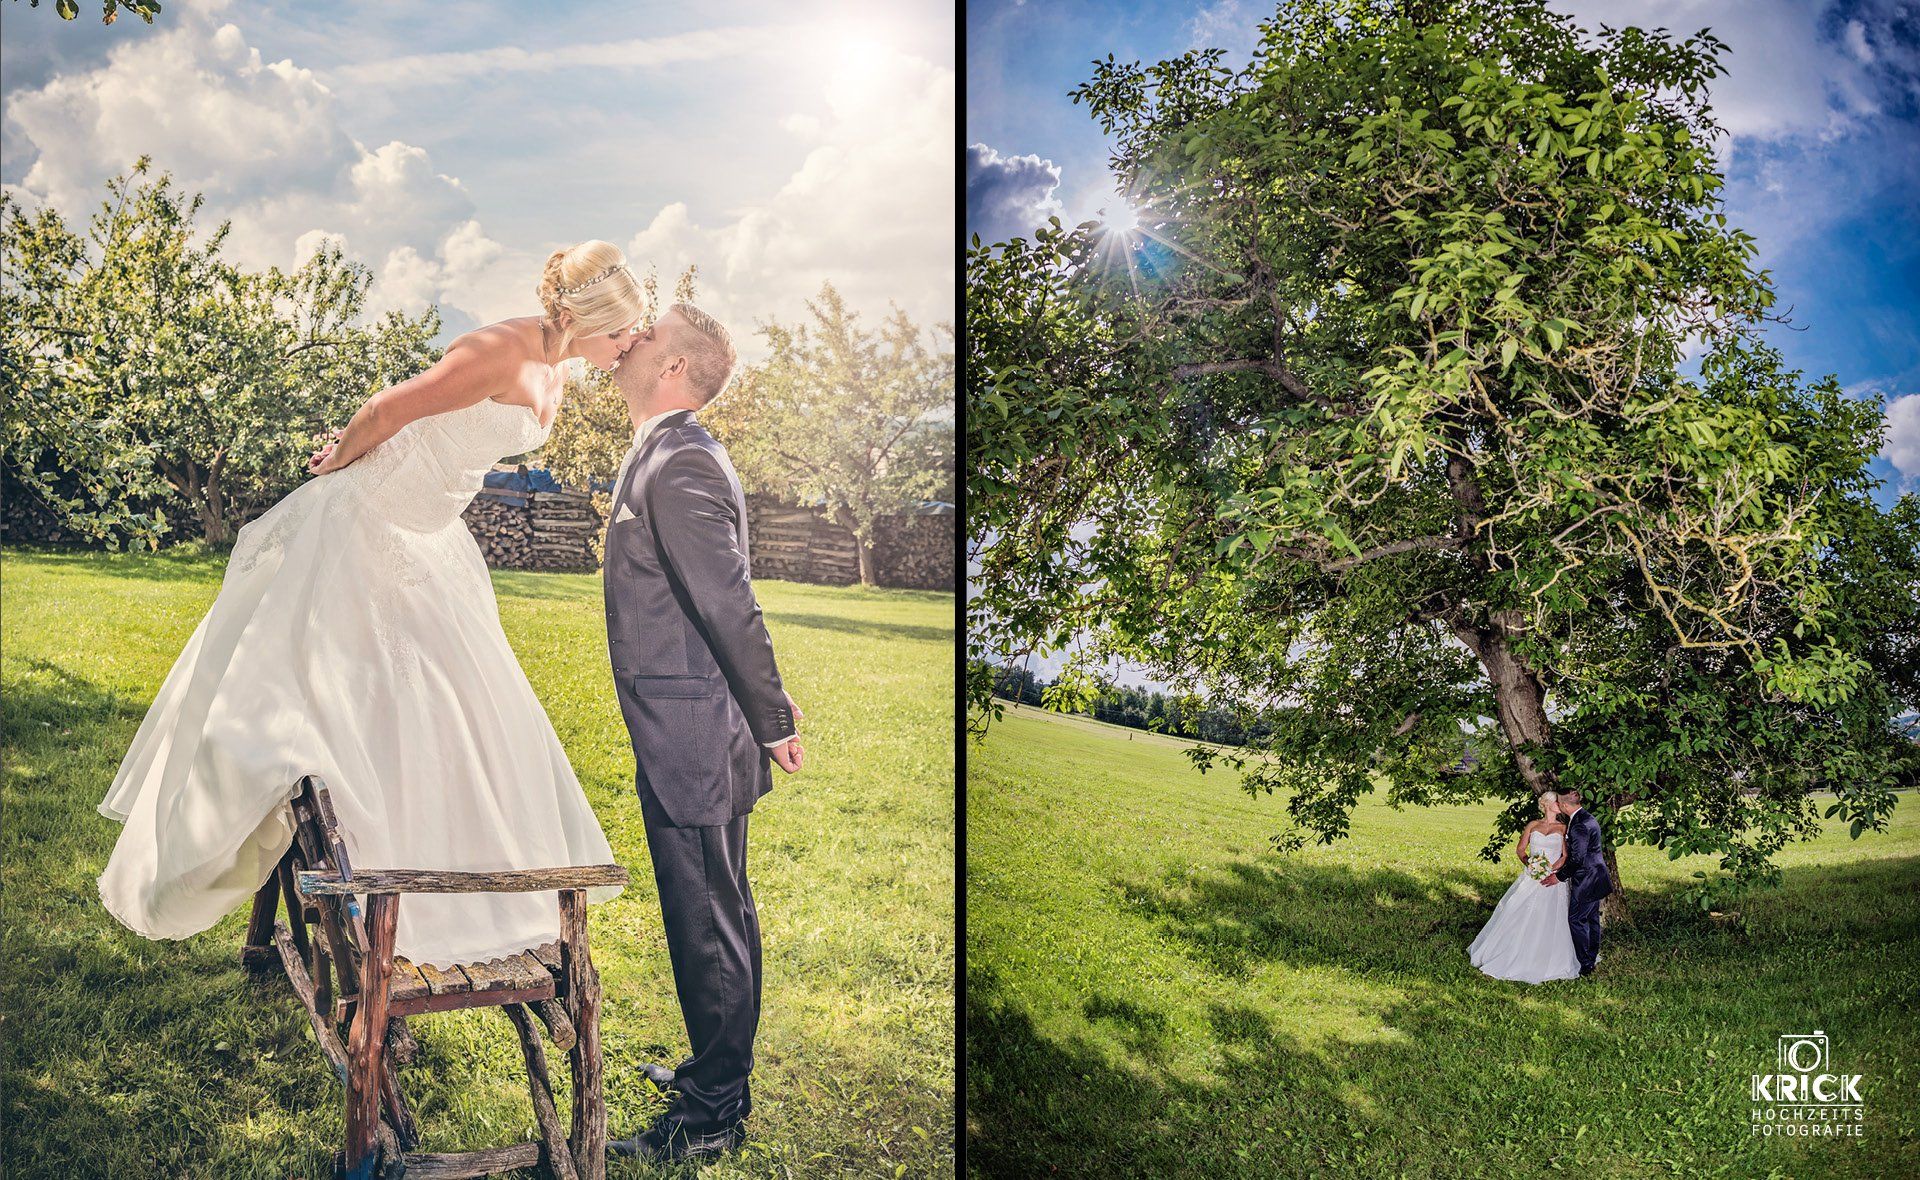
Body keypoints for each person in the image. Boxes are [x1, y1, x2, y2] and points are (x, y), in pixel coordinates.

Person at [96, 240, 646, 970]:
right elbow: (391, 408)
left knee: (448, 706)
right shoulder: (498, 348)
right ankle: (355, 869)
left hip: (429, 537)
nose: (629, 344)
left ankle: (432, 866)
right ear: (582, 319)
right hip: (368, 521)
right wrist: (337, 460)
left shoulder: (560, 367)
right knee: (342, 694)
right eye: (623, 331)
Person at [600, 304, 804, 1164]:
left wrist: (773, 717)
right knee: (715, 911)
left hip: (695, 731)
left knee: (708, 920)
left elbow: (729, 604)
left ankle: (713, 1112)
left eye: (644, 336)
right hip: (677, 725)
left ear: (675, 367)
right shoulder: (665, 449)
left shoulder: (680, 461)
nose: (627, 342)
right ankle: (714, 1073)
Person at [1467, 791, 1583, 983]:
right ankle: (1508, 951)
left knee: (1550, 916)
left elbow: (1565, 856)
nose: (1560, 805)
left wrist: (1551, 869)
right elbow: (1520, 849)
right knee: (1516, 910)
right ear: (1547, 804)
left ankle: (1547, 958)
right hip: (1531, 876)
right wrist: (1530, 863)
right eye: (1556, 802)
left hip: (1552, 878)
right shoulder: (1532, 825)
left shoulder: (1563, 828)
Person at [1541, 787, 1613, 976]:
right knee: (1591, 920)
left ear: (1564, 805)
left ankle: (1585, 964)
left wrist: (1558, 876)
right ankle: (1590, 958)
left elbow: (1577, 859)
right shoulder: (1585, 817)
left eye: (1558, 802)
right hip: (1596, 876)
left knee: (1576, 920)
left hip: (1587, 880)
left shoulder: (1580, 824)